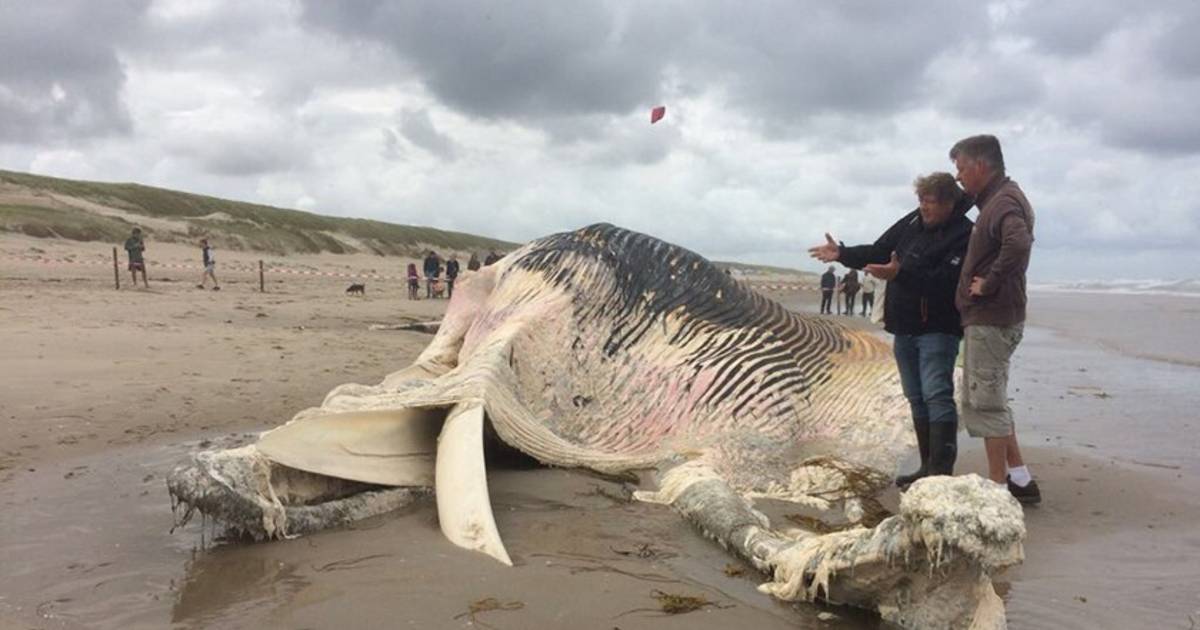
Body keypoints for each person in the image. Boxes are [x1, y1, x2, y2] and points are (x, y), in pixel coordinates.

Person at [808, 172, 973, 488]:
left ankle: (940, 473)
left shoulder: (965, 234)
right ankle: (926, 468)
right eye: (921, 200)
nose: (924, 207)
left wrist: (900, 274)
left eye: (931, 201)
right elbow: (879, 250)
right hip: (904, 326)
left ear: (950, 203)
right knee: (915, 395)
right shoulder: (912, 224)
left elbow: (946, 282)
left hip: (938, 328)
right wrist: (843, 254)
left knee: (937, 394)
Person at [950, 134, 1040, 504]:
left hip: (992, 317)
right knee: (993, 399)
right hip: (992, 318)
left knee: (986, 404)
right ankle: (1020, 480)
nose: (959, 178)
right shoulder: (997, 198)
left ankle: (997, 490)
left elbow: (1018, 243)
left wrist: (988, 283)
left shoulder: (1003, 201)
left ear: (980, 166)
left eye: (961, 169)